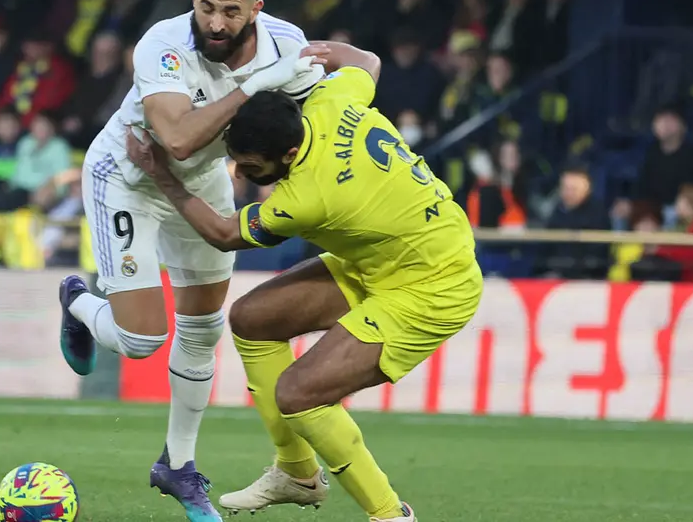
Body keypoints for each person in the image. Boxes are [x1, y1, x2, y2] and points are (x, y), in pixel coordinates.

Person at [125, 43, 483, 522]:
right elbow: (367, 63)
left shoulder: (309, 196)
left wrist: (163, 176)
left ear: (289, 154)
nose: (242, 174)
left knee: (298, 393)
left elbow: (224, 233)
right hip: (387, 256)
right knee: (252, 319)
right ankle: (296, 473)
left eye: (252, 168)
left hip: (434, 285)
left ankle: (390, 515)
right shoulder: (330, 102)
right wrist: (320, 51)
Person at [56, 0, 325, 522]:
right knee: (142, 341)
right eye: (205, 8)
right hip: (128, 178)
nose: (216, 24)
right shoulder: (162, 44)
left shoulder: (286, 43)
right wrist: (255, 87)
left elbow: (315, 115)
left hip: (203, 184)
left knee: (203, 329)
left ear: (255, 8)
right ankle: (77, 302)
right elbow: (175, 140)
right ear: (194, 0)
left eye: (230, 12)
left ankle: (178, 466)